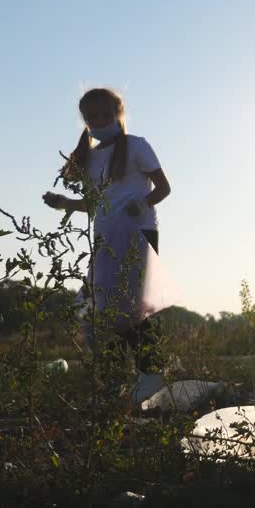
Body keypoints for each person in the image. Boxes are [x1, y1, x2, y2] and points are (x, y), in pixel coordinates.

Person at [41, 87, 173, 373]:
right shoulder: (89, 157)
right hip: (104, 238)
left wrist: (143, 202)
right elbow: (94, 205)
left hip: (138, 234)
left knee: (138, 308)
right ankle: (113, 377)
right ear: (85, 121)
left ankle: (152, 376)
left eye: (105, 114)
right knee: (103, 308)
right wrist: (65, 203)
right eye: (92, 117)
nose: (100, 121)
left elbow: (164, 188)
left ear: (118, 114)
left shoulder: (137, 146)